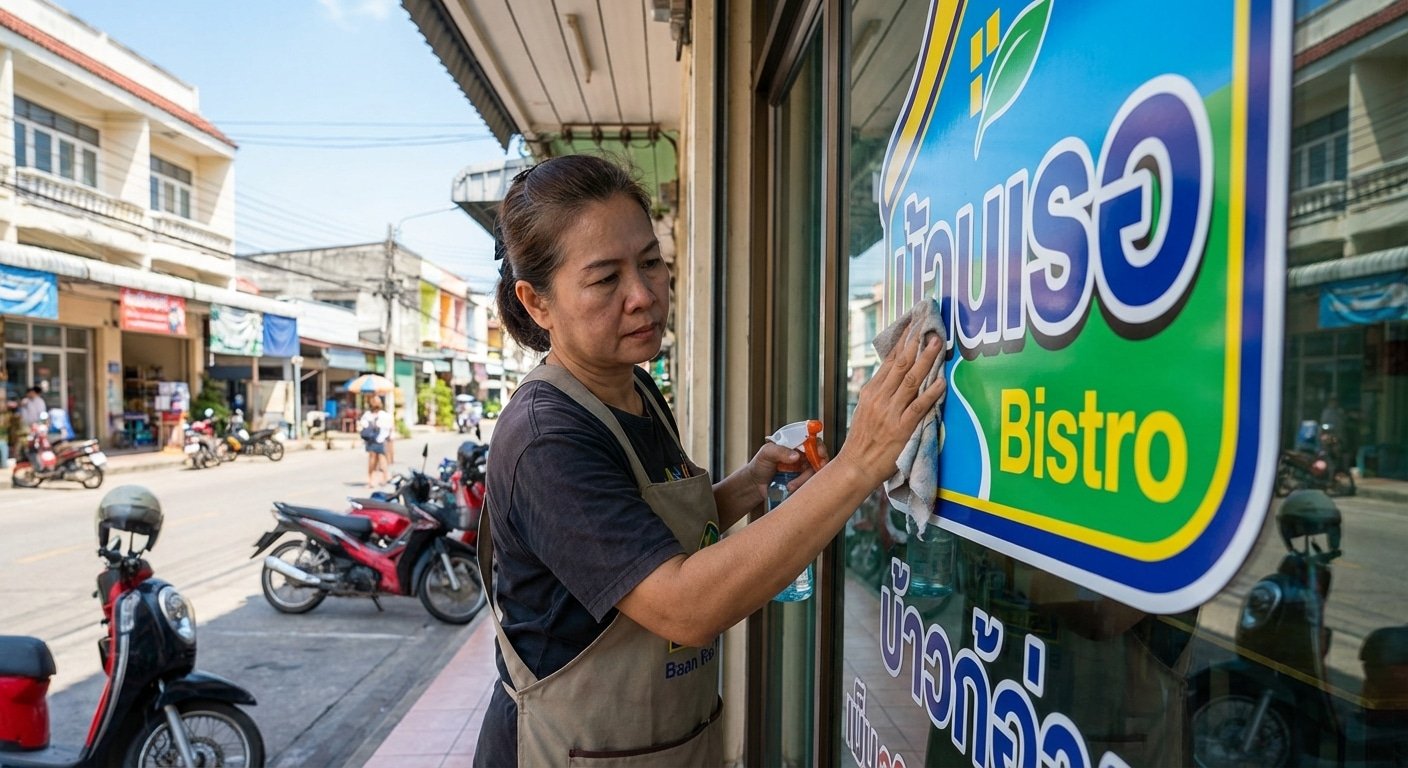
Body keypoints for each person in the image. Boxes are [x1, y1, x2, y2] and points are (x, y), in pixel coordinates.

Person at [474, 154, 944, 766]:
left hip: (660, 740)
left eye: (649, 263)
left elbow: (641, 539)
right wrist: (860, 463)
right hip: (565, 749)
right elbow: (683, 606)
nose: (642, 296)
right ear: (537, 303)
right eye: (604, 279)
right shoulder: (547, 437)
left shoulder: (633, 388)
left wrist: (750, 484)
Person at [358, 396, 393, 490]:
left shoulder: (379, 415)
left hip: (378, 440)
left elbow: (388, 428)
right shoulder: (370, 415)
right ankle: (375, 479)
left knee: (378, 459)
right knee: (376, 459)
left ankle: (380, 478)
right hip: (375, 440)